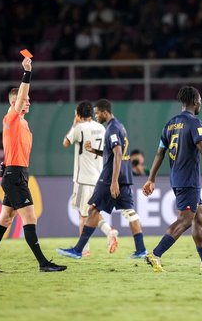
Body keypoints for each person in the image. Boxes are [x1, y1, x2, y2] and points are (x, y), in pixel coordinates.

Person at [0, 57, 67, 273]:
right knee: (30, 217)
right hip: (15, 176)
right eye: (24, 99)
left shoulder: (24, 124)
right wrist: (27, 72)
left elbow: (14, 151)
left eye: (28, 100)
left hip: (17, 174)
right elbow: (22, 96)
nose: (28, 101)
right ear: (14, 102)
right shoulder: (11, 117)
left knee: (5, 219)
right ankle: (43, 263)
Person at [142, 86, 202, 273]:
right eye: (200, 100)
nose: (201, 104)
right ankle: (155, 254)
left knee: (198, 218)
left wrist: (151, 179)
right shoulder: (194, 123)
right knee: (185, 220)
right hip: (188, 179)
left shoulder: (169, 124)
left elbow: (159, 154)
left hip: (178, 178)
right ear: (196, 101)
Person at [57, 99, 147, 259]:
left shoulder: (111, 128)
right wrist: (94, 150)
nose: (96, 115)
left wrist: (113, 181)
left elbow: (118, 153)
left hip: (110, 177)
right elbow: (112, 152)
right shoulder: (119, 126)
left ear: (105, 112)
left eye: (98, 112)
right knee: (130, 213)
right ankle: (141, 250)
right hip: (124, 175)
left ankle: (78, 250)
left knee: (92, 210)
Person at [63, 100, 119, 257]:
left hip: (83, 179)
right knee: (92, 212)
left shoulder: (79, 128)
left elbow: (66, 142)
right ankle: (109, 232)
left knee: (83, 215)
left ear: (79, 115)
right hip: (98, 177)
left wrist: (74, 124)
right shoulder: (101, 127)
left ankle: (84, 250)